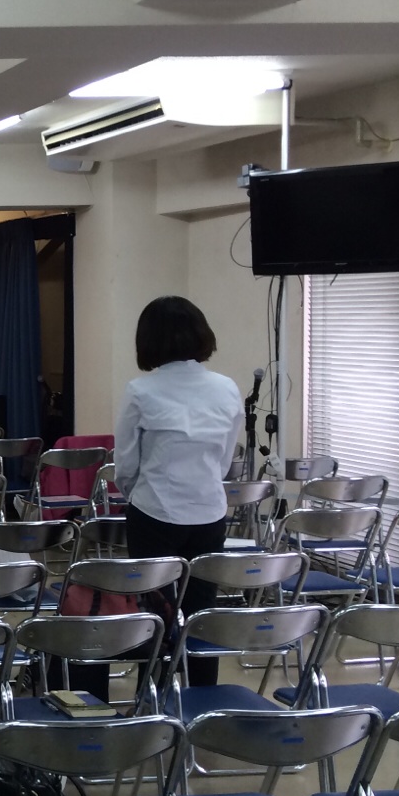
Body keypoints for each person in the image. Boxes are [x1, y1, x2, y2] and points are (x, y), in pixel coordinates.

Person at [99, 295, 242, 693]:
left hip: (154, 513)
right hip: (209, 513)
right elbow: (225, 460)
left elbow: (126, 464)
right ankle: (201, 698)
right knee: (201, 614)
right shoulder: (227, 388)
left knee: (155, 614)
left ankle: (155, 697)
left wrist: (140, 495)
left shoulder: (141, 391)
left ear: (147, 340)